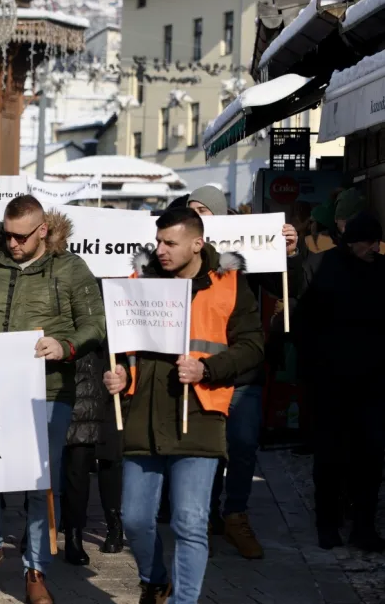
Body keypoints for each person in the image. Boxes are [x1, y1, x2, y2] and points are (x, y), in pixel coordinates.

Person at [0, 195, 105, 604]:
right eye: (6, 235)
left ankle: (36, 568)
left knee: (39, 483)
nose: (12, 244)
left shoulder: (70, 268)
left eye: (20, 237)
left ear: (43, 231)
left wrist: (65, 345)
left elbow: (95, 324)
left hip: (48, 391)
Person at [104, 208, 263, 604]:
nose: (160, 250)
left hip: (201, 415)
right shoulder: (139, 281)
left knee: (190, 522)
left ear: (197, 244)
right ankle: (155, 579)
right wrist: (123, 374)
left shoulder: (229, 284)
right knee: (136, 520)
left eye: (170, 243)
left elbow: (253, 347)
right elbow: (127, 347)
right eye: (158, 241)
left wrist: (207, 369)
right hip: (143, 414)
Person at [185, 185, 298, 559]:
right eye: (193, 210)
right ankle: (205, 517)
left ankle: (235, 515)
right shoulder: (183, 254)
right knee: (207, 448)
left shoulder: (247, 248)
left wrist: (289, 252)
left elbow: (286, 284)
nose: (199, 216)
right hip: (201, 369)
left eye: (205, 209)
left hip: (243, 373)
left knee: (244, 446)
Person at [298, 213, 385, 551]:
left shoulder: (381, 270)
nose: (375, 247)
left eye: (377, 241)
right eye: (369, 242)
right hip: (330, 382)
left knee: (371, 457)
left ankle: (364, 527)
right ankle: (327, 525)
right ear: (352, 242)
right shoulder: (324, 268)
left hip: (374, 383)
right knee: (330, 458)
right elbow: (304, 325)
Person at [61, 344, 123, 564]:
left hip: (109, 384)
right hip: (77, 385)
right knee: (75, 466)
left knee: (109, 459)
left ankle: (115, 526)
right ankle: (71, 533)